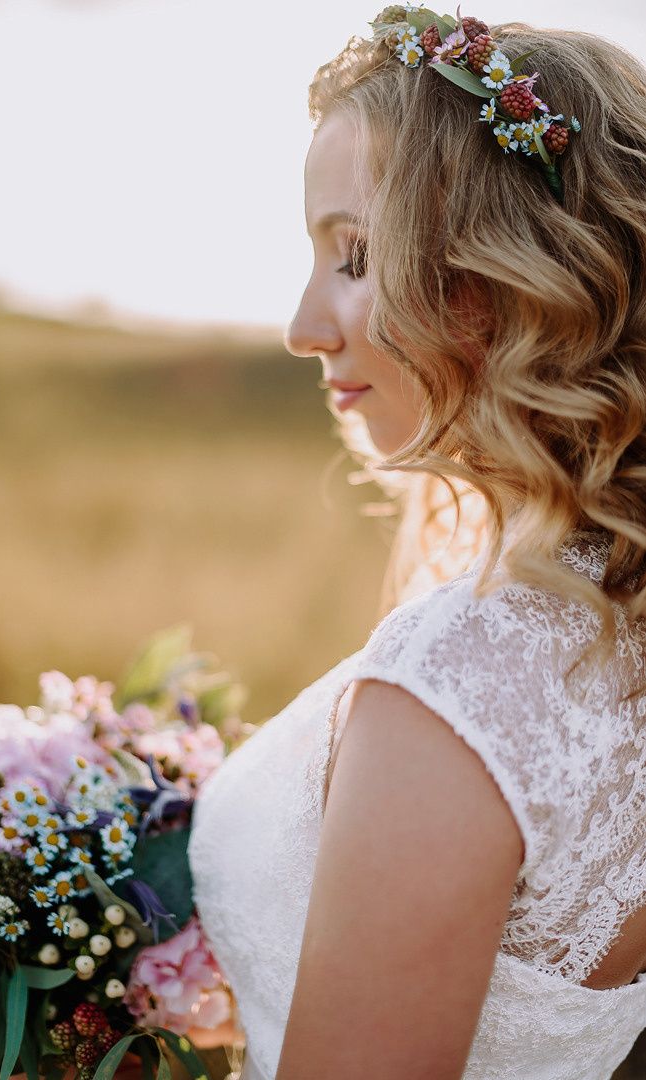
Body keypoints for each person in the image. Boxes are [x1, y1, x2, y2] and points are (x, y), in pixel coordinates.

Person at [188, 8, 646, 1079]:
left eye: (353, 254)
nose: (304, 326)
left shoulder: (457, 685)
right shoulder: (609, 620)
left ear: (501, 273)